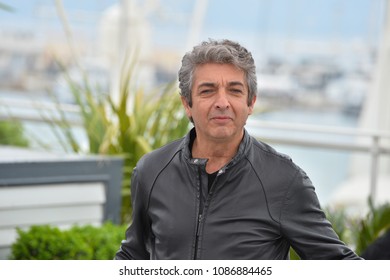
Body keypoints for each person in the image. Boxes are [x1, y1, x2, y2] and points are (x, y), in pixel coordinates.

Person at [115, 39, 362, 260]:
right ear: (187, 104)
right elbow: (133, 256)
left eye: (234, 90)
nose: (222, 103)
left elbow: (339, 264)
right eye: (207, 91)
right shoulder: (152, 171)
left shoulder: (285, 181)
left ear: (251, 102)